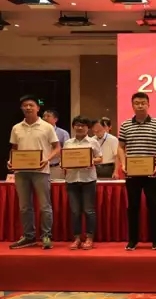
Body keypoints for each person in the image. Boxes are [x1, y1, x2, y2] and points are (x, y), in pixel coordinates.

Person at [8, 95, 60, 249]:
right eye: (25, 105)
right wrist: (11, 160)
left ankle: (46, 237)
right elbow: (14, 149)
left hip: (41, 171)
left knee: (45, 206)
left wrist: (47, 159)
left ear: (38, 108)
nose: (28, 107)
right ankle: (28, 236)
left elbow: (57, 147)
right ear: (21, 108)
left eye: (31, 105)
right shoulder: (16, 128)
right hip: (21, 172)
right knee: (25, 207)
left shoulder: (47, 127)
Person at [118, 92, 156, 251]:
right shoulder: (125, 125)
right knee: (133, 206)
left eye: (143, 103)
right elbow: (120, 147)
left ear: (148, 104)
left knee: (154, 206)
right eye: (137, 103)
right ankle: (132, 240)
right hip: (132, 172)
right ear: (132, 105)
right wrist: (123, 164)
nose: (140, 106)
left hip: (151, 172)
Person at [64, 116, 102, 250]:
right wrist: (64, 164)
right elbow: (65, 159)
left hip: (88, 180)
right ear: (73, 126)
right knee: (75, 211)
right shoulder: (68, 143)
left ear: (88, 128)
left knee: (89, 210)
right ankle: (77, 238)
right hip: (72, 180)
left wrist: (90, 161)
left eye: (83, 125)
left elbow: (100, 158)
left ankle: (89, 238)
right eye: (77, 125)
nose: (80, 128)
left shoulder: (93, 142)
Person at [42, 109, 70, 180]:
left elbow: (67, 151)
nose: (45, 118)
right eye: (44, 116)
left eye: (48, 116)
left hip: (56, 167)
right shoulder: (38, 133)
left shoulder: (63, 133)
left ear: (55, 119)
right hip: (41, 168)